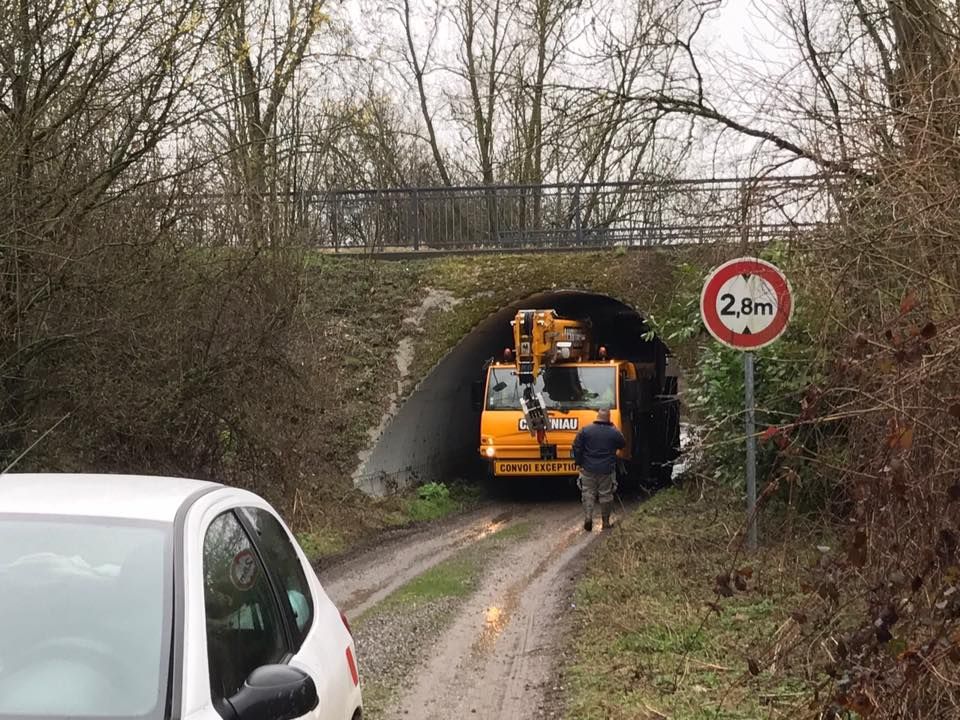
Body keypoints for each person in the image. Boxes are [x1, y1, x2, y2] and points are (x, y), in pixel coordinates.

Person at [572, 408, 625, 531]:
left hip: (588, 468)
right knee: (606, 495)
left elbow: (576, 446)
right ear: (609, 418)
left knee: (588, 493)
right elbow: (623, 443)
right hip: (606, 470)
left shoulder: (585, 430)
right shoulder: (613, 432)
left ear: (597, 417)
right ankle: (605, 522)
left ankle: (588, 517)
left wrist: (579, 462)